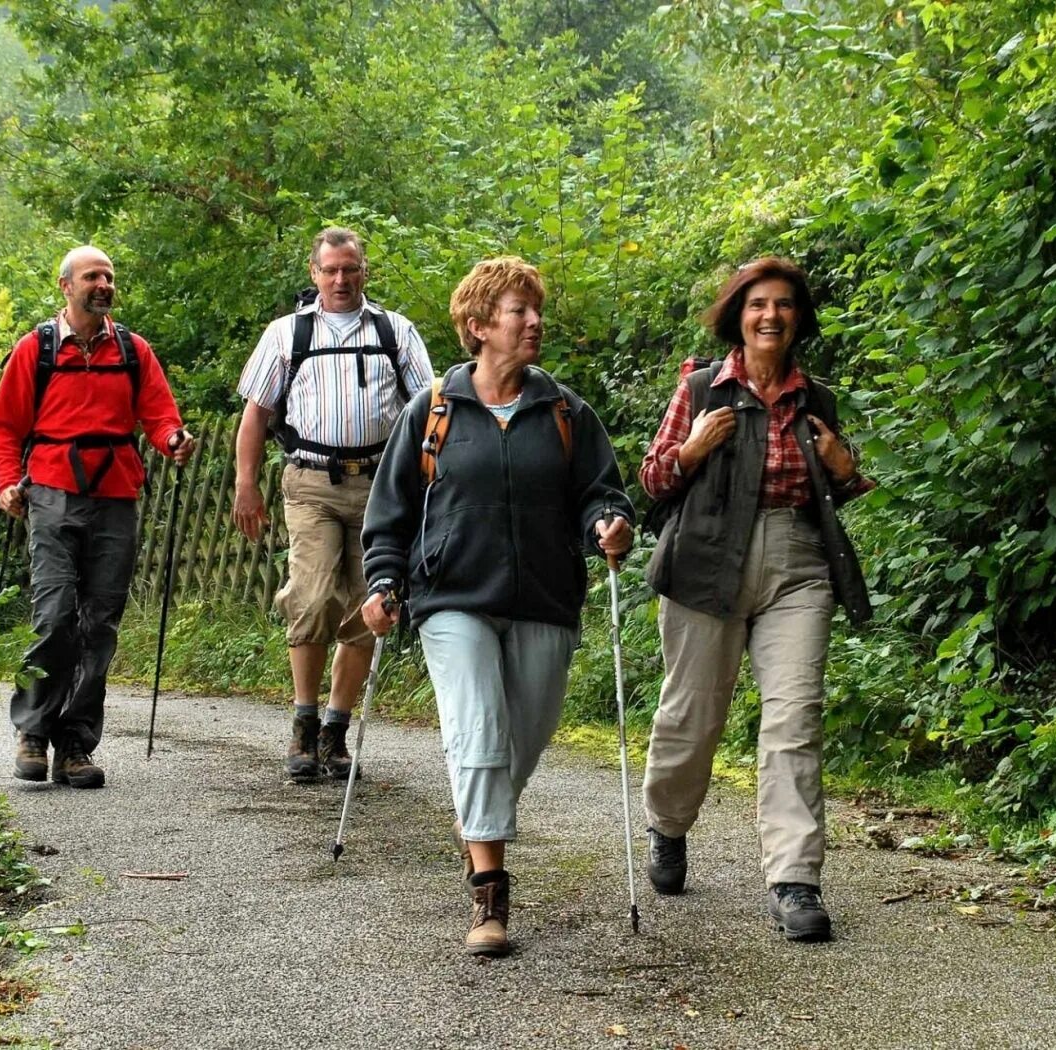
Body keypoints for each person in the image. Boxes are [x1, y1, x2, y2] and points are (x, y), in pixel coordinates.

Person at [360, 256, 633, 957]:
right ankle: (490, 896)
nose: (535, 321)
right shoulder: (435, 412)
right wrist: (383, 582)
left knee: (526, 735)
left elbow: (599, 493)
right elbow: (391, 511)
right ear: (479, 327)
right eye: (519, 311)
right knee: (477, 732)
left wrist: (607, 524)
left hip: (545, 597)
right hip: (452, 598)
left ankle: (475, 825)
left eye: (535, 309)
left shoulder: (567, 413)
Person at [638, 255, 874, 941]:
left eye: (782, 305)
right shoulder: (702, 388)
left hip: (797, 565)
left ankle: (794, 880)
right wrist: (689, 451)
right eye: (756, 305)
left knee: (794, 720)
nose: (769, 316)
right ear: (736, 316)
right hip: (705, 561)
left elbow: (843, 487)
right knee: (692, 716)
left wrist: (844, 469)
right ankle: (667, 826)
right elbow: (653, 480)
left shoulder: (815, 399)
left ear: (797, 318)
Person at [0, 245, 195, 789]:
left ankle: (75, 744)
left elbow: (158, 412)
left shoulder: (132, 349)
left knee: (99, 623)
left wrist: (171, 438)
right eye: (91, 277)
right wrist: (8, 482)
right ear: (66, 286)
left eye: (108, 276)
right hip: (52, 489)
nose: (102, 284)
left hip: (116, 493)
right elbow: (4, 427)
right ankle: (33, 730)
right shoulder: (36, 349)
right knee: (55, 615)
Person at [233, 227, 433, 782]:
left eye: (350, 269)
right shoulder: (286, 334)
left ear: (365, 270)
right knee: (315, 595)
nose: (341, 280)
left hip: (380, 484)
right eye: (330, 270)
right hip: (312, 482)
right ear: (314, 272)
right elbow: (254, 415)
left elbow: (430, 407)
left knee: (370, 607)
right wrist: (245, 485)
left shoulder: (396, 331)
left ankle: (335, 731)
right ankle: (303, 723)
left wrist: (434, 480)